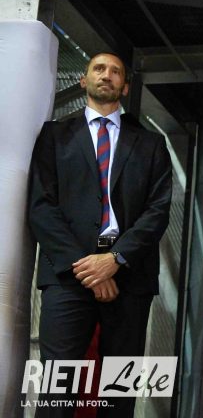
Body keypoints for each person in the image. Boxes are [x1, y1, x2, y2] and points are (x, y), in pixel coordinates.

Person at [28, 53, 172, 417]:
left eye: (115, 71)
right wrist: (89, 268)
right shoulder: (53, 136)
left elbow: (157, 212)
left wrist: (115, 259)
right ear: (83, 80)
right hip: (68, 276)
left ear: (125, 86)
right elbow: (41, 207)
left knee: (119, 391)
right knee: (57, 390)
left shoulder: (151, 144)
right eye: (98, 68)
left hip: (130, 278)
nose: (107, 75)